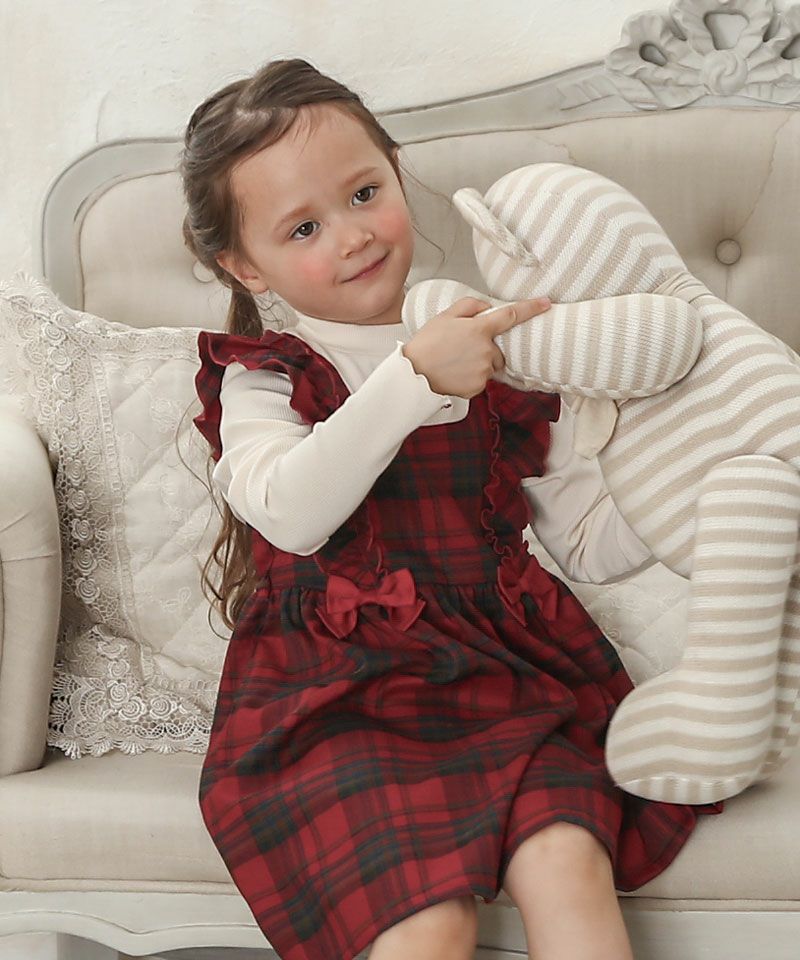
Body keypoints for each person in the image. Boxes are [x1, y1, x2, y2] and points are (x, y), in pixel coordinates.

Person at [183, 58, 723, 960]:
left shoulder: (503, 350)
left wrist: (687, 472)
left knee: (568, 857)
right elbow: (291, 512)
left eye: (365, 193)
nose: (353, 235)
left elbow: (589, 543)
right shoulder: (268, 375)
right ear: (244, 264)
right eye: (305, 227)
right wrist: (414, 377)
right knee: (427, 918)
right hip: (336, 700)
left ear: (397, 172)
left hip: (505, 676)